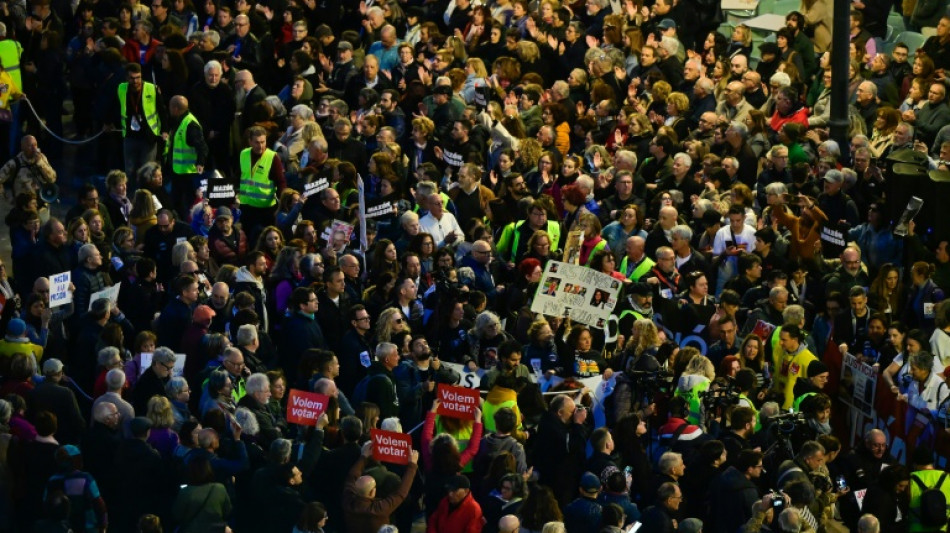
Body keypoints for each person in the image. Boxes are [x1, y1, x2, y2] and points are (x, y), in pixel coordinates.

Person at [343, 440, 420, 532]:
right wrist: (412, 466)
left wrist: (363, 457)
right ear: (372, 492)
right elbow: (400, 493)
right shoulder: (378, 510)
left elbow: (351, 477)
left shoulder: (347, 501)